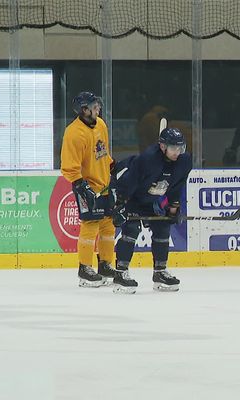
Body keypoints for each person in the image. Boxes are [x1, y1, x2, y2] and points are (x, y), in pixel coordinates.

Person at [110, 127, 192, 294]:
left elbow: (176, 185)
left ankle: (160, 272)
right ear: (162, 147)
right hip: (132, 197)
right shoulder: (147, 159)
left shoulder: (184, 161)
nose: (178, 152)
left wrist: (174, 207)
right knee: (132, 228)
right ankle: (120, 273)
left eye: (180, 148)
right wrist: (120, 204)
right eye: (173, 148)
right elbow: (128, 182)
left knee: (162, 227)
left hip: (150, 200)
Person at [61, 91, 117, 287]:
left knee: (108, 225)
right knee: (90, 225)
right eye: (94, 106)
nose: (98, 108)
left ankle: (105, 264)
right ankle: (84, 268)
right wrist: (80, 184)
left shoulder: (101, 124)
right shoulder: (74, 133)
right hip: (86, 186)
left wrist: (112, 168)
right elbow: (69, 165)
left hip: (105, 184)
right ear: (84, 110)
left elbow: (104, 153)